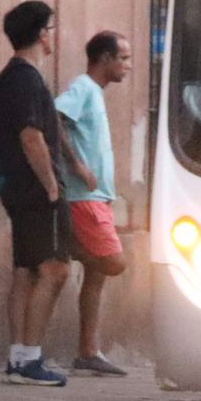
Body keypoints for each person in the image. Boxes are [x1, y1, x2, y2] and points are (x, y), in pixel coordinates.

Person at [0, 1, 72, 387]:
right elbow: (31, 135)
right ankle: (30, 359)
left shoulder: (14, 76)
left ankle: (19, 357)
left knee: (25, 271)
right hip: (35, 189)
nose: (53, 36)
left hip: (18, 187)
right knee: (55, 269)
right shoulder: (25, 78)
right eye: (51, 28)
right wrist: (52, 185)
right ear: (42, 34)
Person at [56, 31, 133, 376]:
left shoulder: (95, 93)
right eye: (123, 58)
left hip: (98, 196)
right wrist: (75, 164)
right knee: (113, 262)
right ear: (104, 58)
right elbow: (54, 120)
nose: (127, 66)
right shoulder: (83, 88)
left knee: (97, 275)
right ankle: (73, 246)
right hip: (83, 197)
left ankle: (88, 351)